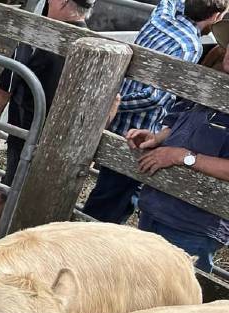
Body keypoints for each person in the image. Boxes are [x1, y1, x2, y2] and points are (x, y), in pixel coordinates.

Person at [81, 0, 228, 224]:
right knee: (116, 197)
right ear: (216, 15)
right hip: (143, 125)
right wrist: (117, 104)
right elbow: (154, 97)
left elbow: (169, 1)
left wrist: (111, 103)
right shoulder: (189, 46)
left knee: (109, 190)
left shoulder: (162, 17)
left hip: (122, 124)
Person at [0, 0, 94, 234]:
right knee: (19, 193)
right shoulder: (95, 45)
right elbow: (114, 100)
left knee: (8, 194)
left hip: (28, 133)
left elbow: (2, 90)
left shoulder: (39, 36)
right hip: (68, 143)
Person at [125, 21, 229, 272]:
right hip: (158, 203)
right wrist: (158, 138)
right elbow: (183, 121)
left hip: (195, 221)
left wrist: (182, 156)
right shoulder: (213, 83)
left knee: (173, 299)